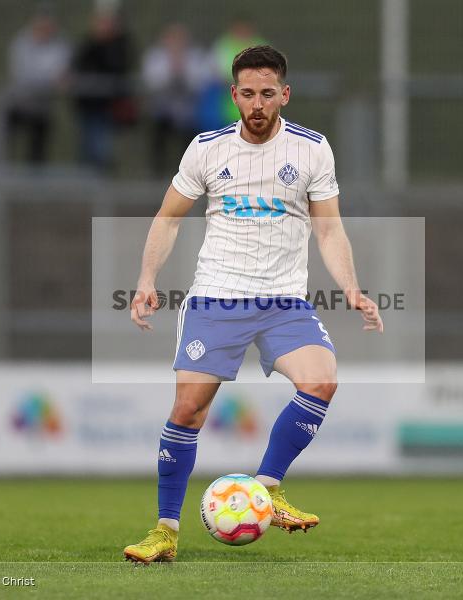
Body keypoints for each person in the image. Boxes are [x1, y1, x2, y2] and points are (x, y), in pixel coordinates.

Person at [122, 46, 383, 563]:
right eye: (248, 94)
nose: (258, 103)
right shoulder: (207, 148)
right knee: (188, 411)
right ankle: (165, 532)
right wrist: (146, 278)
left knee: (322, 380)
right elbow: (168, 217)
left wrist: (351, 287)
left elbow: (328, 227)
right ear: (234, 96)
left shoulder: (312, 149)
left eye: (268, 93)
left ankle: (269, 487)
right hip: (217, 296)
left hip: (284, 299)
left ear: (284, 94)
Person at [69, 6, 135, 170]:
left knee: (102, 152)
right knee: (87, 151)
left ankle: (103, 187)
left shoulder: (120, 45)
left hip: (108, 108)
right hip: (87, 106)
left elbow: (118, 68)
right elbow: (78, 67)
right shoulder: (88, 43)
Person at [2, 6, 69, 165]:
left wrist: (54, 80)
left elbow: (63, 71)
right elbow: (22, 75)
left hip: (43, 107)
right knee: (7, 144)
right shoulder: (21, 43)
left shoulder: (60, 44)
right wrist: (50, 80)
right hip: (20, 103)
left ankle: (35, 184)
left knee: (37, 154)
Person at [141, 24, 210, 177]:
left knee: (191, 136)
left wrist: (183, 72)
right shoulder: (156, 57)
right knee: (158, 132)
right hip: (163, 109)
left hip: (187, 110)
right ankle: (157, 171)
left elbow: (200, 82)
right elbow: (151, 81)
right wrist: (171, 72)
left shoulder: (195, 57)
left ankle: (188, 173)